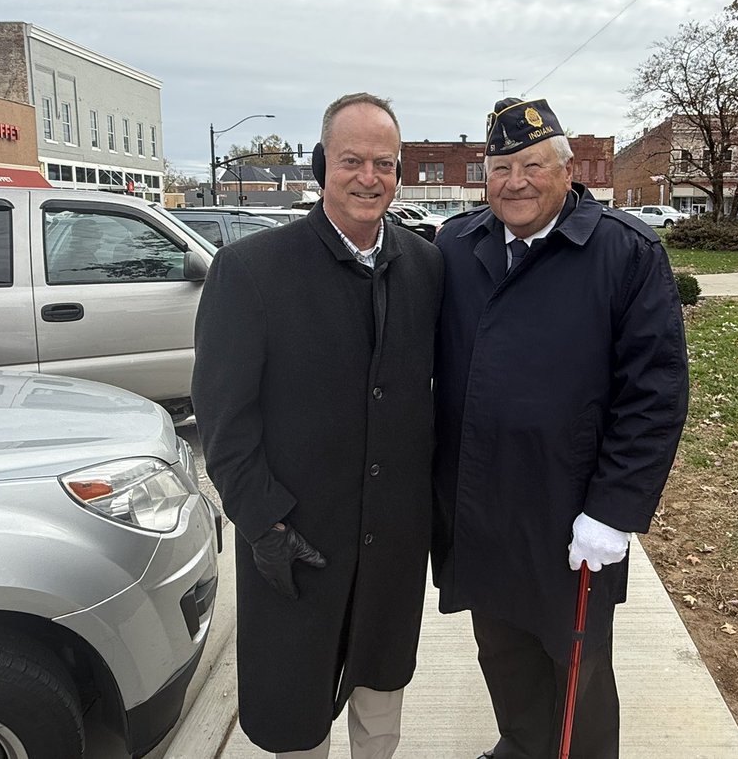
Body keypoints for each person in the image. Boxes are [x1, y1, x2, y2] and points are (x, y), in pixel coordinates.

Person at [432, 97, 689, 758]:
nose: (514, 182)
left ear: (567, 170)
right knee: (501, 649)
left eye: (532, 165)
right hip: (480, 504)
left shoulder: (624, 253)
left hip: (569, 514)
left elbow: (654, 394)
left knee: (575, 665)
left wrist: (613, 511)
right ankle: (520, 743)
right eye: (500, 168)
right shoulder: (454, 248)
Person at [193, 93, 442, 758]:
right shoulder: (251, 272)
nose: (369, 177)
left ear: (399, 172)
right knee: (296, 715)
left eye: (383, 164)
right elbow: (224, 424)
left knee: (381, 696)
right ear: (319, 163)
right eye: (352, 160)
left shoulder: (426, 266)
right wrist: (264, 524)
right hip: (296, 544)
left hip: (391, 542)